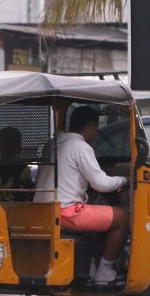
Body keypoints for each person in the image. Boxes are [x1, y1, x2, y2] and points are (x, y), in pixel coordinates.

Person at [34, 105, 127, 283]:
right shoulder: (81, 147)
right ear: (91, 126)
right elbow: (101, 184)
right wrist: (124, 180)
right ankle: (105, 270)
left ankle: (90, 264)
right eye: (96, 128)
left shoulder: (51, 144)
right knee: (122, 217)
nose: (96, 132)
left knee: (94, 211)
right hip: (64, 212)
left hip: (41, 210)